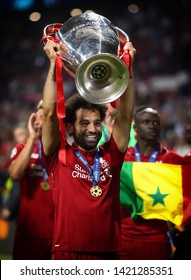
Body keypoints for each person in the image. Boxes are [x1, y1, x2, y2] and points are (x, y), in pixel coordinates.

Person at [41, 39, 136, 260]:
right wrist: (52, 64)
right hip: (68, 253)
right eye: (84, 123)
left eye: (96, 123)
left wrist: (128, 68)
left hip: (109, 253)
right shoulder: (58, 154)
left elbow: (126, 115)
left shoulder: (111, 155)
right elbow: (48, 114)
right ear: (70, 127)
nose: (92, 129)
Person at [119, 105, 177, 260]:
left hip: (157, 240)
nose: (152, 126)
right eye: (146, 122)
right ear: (135, 127)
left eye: (156, 122)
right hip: (125, 241)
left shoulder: (171, 160)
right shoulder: (122, 160)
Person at [8, 100, 54, 260]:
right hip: (28, 233)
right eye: (39, 117)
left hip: (57, 235)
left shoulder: (61, 151)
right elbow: (15, 174)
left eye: (46, 118)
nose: (41, 122)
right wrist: (32, 139)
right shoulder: (22, 148)